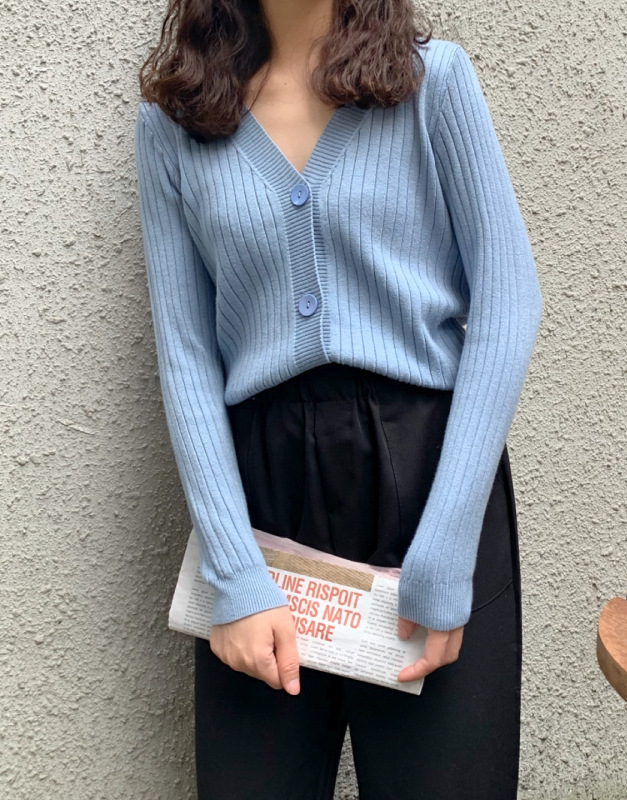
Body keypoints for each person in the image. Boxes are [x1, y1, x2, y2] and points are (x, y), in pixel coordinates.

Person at [133, 0, 543, 797]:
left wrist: (448, 543)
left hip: (431, 485)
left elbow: (508, 298)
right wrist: (234, 573)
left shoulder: (432, 84)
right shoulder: (174, 123)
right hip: (259, 508)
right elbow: (185, 356)